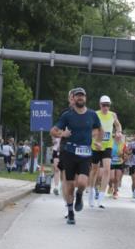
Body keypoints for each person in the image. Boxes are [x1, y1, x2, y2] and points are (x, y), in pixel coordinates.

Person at [50, 88, 102, 225]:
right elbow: (53, 131)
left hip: (85, 154)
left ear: (85, 98)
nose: (80, 98)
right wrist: (62, 134)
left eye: (82, 96)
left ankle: (80, 195)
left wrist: (97, 141)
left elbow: (99, 129)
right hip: (69, 153)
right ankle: (70, 212)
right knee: (70, 184)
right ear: (73, 98)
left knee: (82, 183)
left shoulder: (92, 114)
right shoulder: (67, 115)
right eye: (78, 96)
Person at [88, 95, 122, 208]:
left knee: (107, 169)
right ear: (100, 105)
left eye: (108, 105)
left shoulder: (112, 115)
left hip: (108, 145)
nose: (106, 107)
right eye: (104, 105)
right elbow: (90, 129)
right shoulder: (95, 114)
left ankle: (101, 199)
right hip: (96, 145)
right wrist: (95, 139)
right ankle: (92, 193)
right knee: (94, 170)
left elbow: (118, 125)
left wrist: (118, 132)